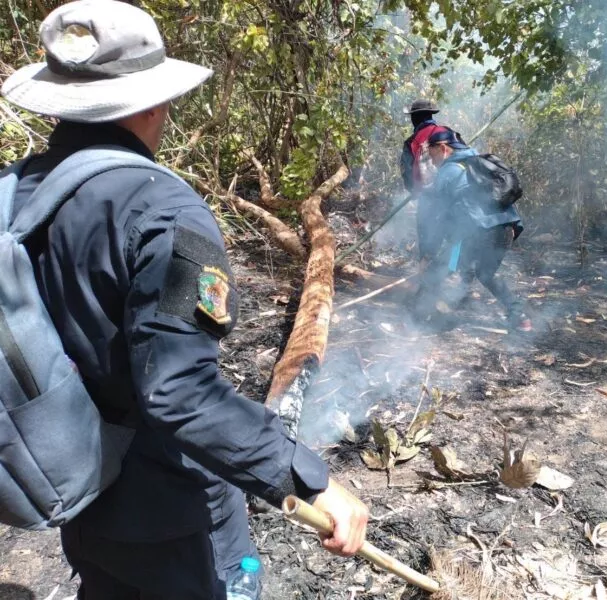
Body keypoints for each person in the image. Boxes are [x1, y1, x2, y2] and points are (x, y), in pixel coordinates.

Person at [1, 2, 368, 598]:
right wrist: (307, 476)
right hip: (170, 511)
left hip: (71, 487)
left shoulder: (14, 195)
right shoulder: (164, 212)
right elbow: (178, 393)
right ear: (152, 101)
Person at [415, 128, 533, 332]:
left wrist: (427, 254)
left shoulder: (449, 171)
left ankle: (416, 318)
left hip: (475, 234)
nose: (431, 161)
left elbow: (439, 219)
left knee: (438, 269)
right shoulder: (479, 163)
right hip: (504, 230)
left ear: (443, 148)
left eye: (431, 153)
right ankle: (520, 316)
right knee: (486, 273)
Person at [399, 98, 449, 193]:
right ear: (430, 116)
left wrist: (413, 191)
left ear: (414, 118)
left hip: (429, 196)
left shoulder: (411, 143)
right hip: (456, 186)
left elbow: (408, 177)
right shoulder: (447, 132)